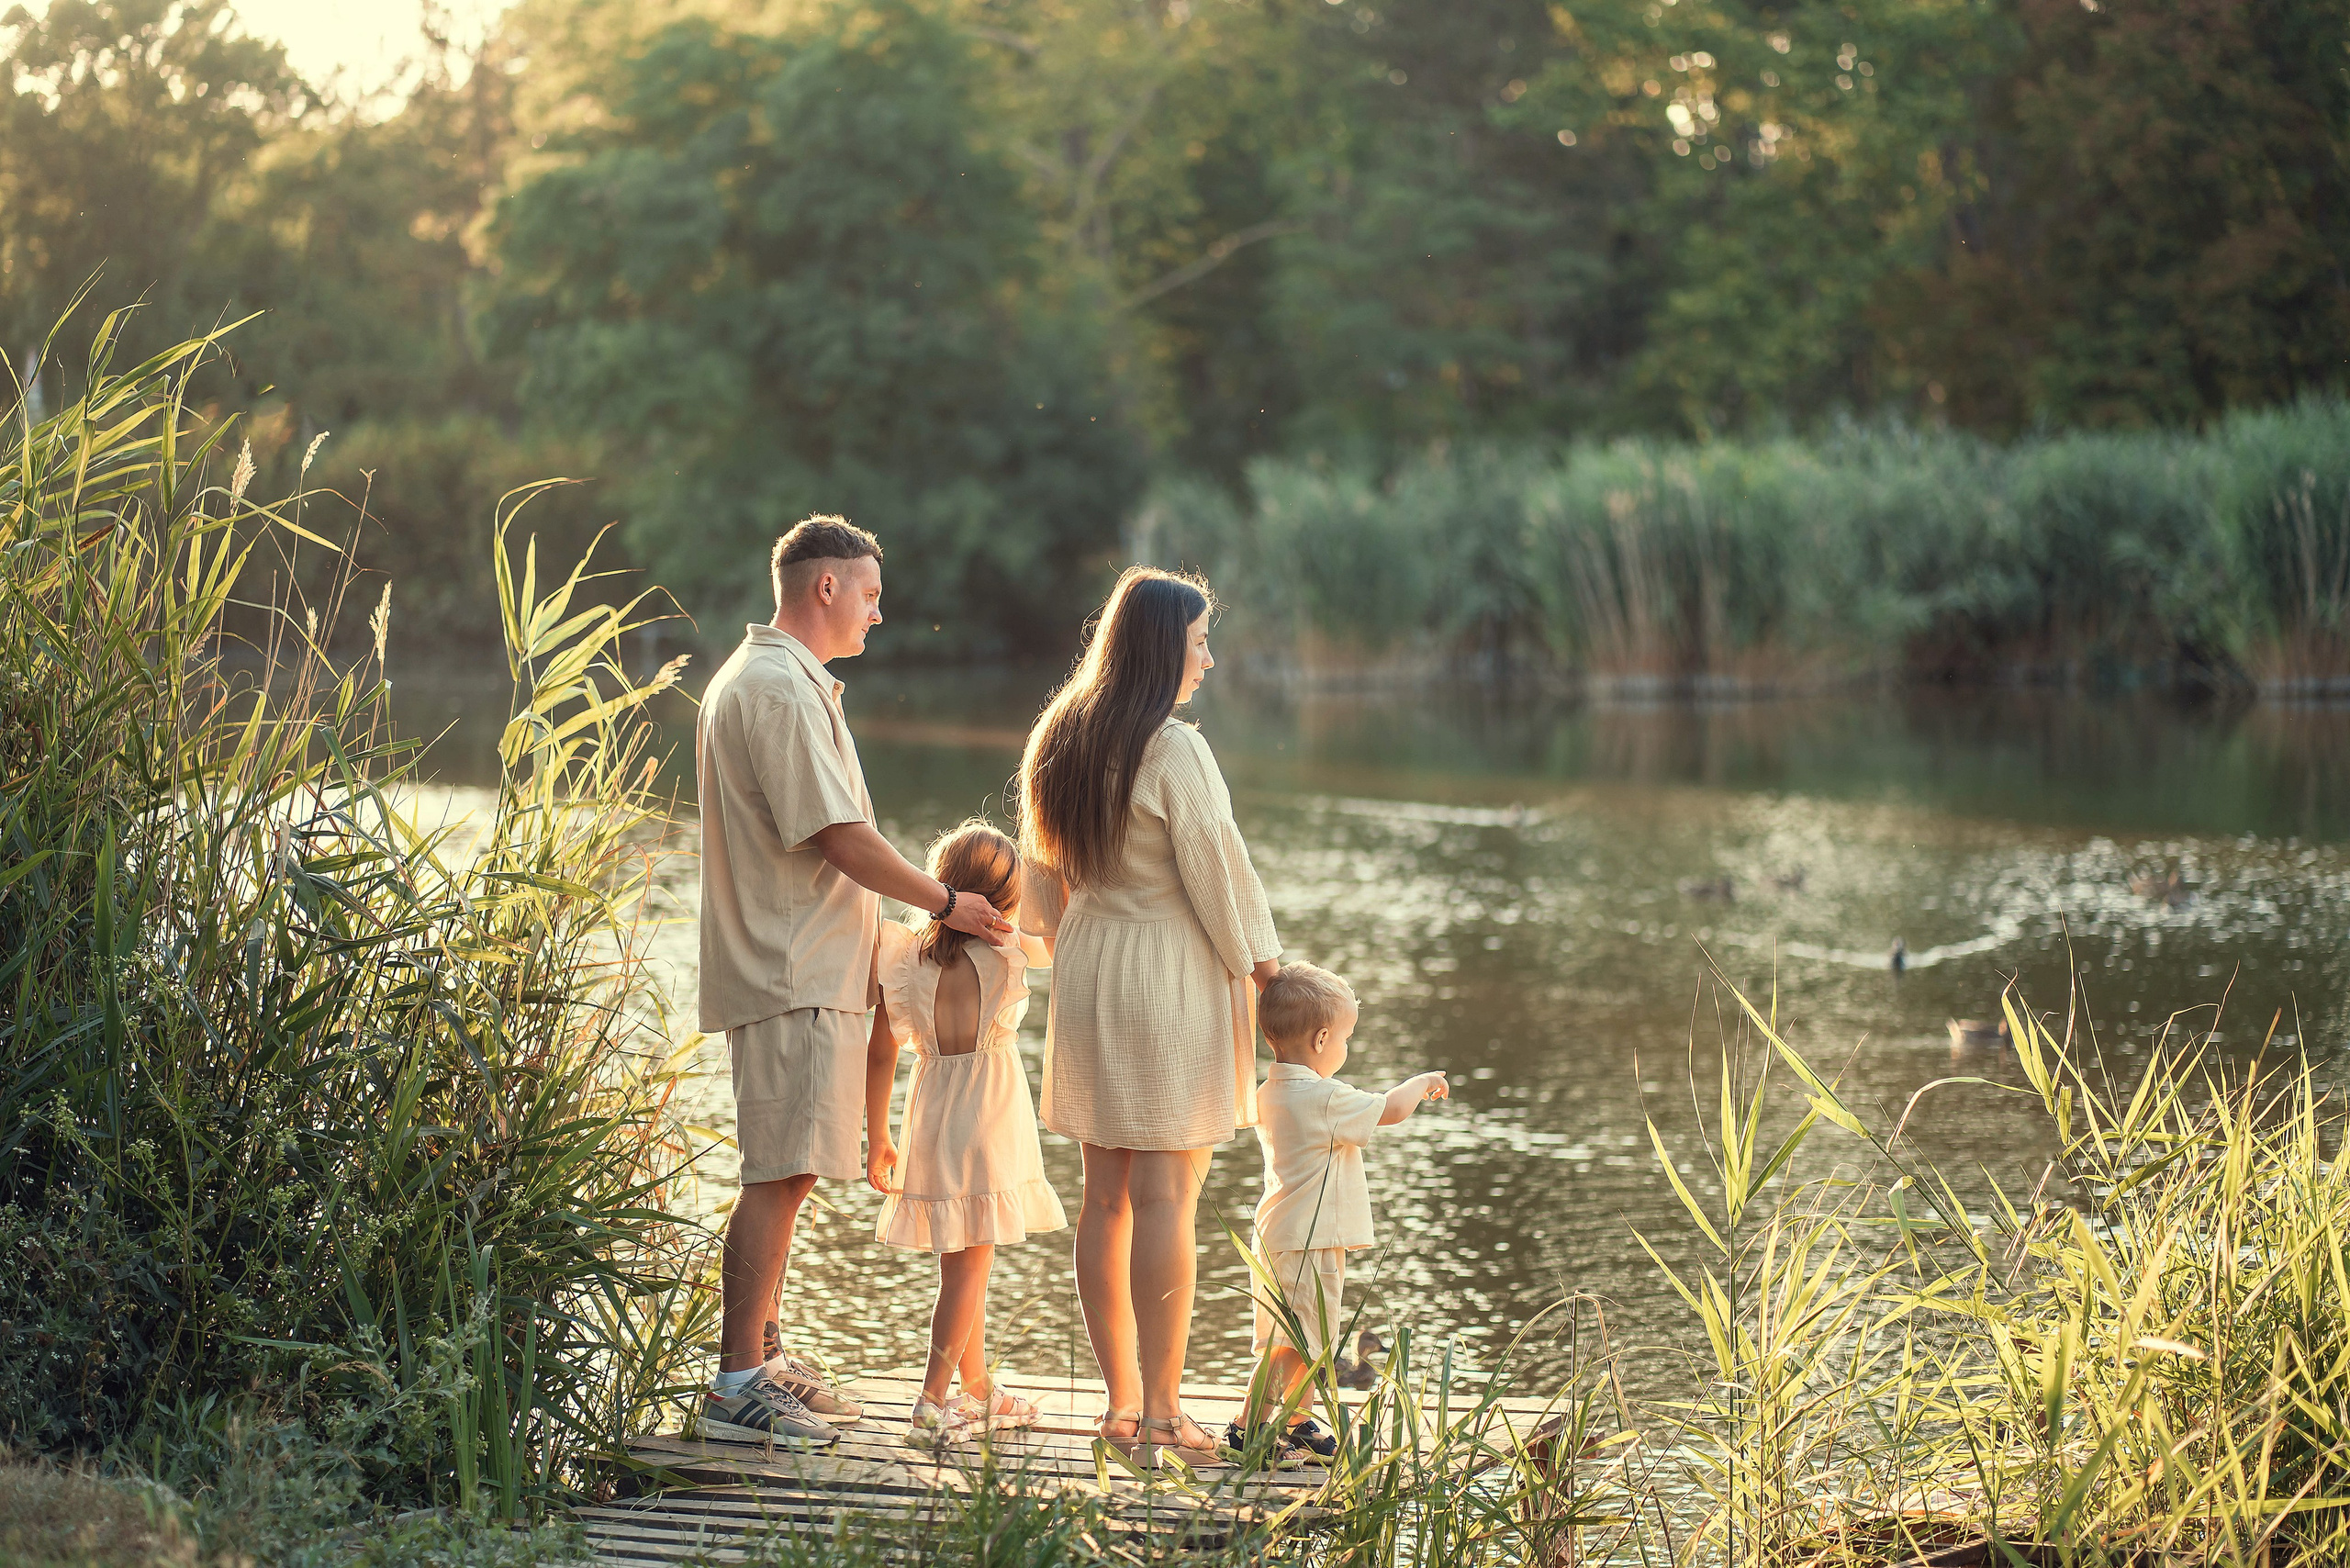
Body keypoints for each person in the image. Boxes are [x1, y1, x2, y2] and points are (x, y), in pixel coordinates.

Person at [696, 515, 1013, 1446]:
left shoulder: (774, 680)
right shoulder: (776, 689)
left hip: (804, 963)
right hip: (789, 965)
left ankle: (764, 1354)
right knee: (779, 1172)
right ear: (825, 586)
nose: (879, 612)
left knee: (792, 1169)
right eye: (870, 594)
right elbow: (839, 836)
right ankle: (736, 1384)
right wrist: (945, 901)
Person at [1015, 566, 1281, 1469]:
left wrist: (1077, 944)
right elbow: (1219, 872)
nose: (1208, 659)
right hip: (1167, 977)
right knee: (1168, 1196)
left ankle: (1122, 1409)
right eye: (1200, 642)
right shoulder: (1173, 750)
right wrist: (1268, 973)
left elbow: (1040, 877)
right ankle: (1166, 1420)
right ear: (1164, 646)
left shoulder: (1059, 732)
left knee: (1104, 1197)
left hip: (1091, 969)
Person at [863, 820, 1068, 1450]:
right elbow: (1060, 930)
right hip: (989, 1114)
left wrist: (878, 1136)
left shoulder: (904, 958)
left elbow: (881, 1052)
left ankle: (976, 1387)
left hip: (932, 1111)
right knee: (969, 1267)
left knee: (963, 1261)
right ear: (1002, 901)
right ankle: (931, 1401)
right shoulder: (1006, 949)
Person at [1234, 963, 1447, 1465]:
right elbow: (1390, 1110)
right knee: (1293, 1341)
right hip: (1306, 1240)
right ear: (1322, 1038)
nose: (1346, 1047)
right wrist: (1420, 1082)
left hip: (1284, 1234)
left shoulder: (1271, 1091)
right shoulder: (1323, 1097)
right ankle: (1248, 1428)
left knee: (1307, 1337)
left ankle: (1297, 1421)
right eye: (1346, 1038)